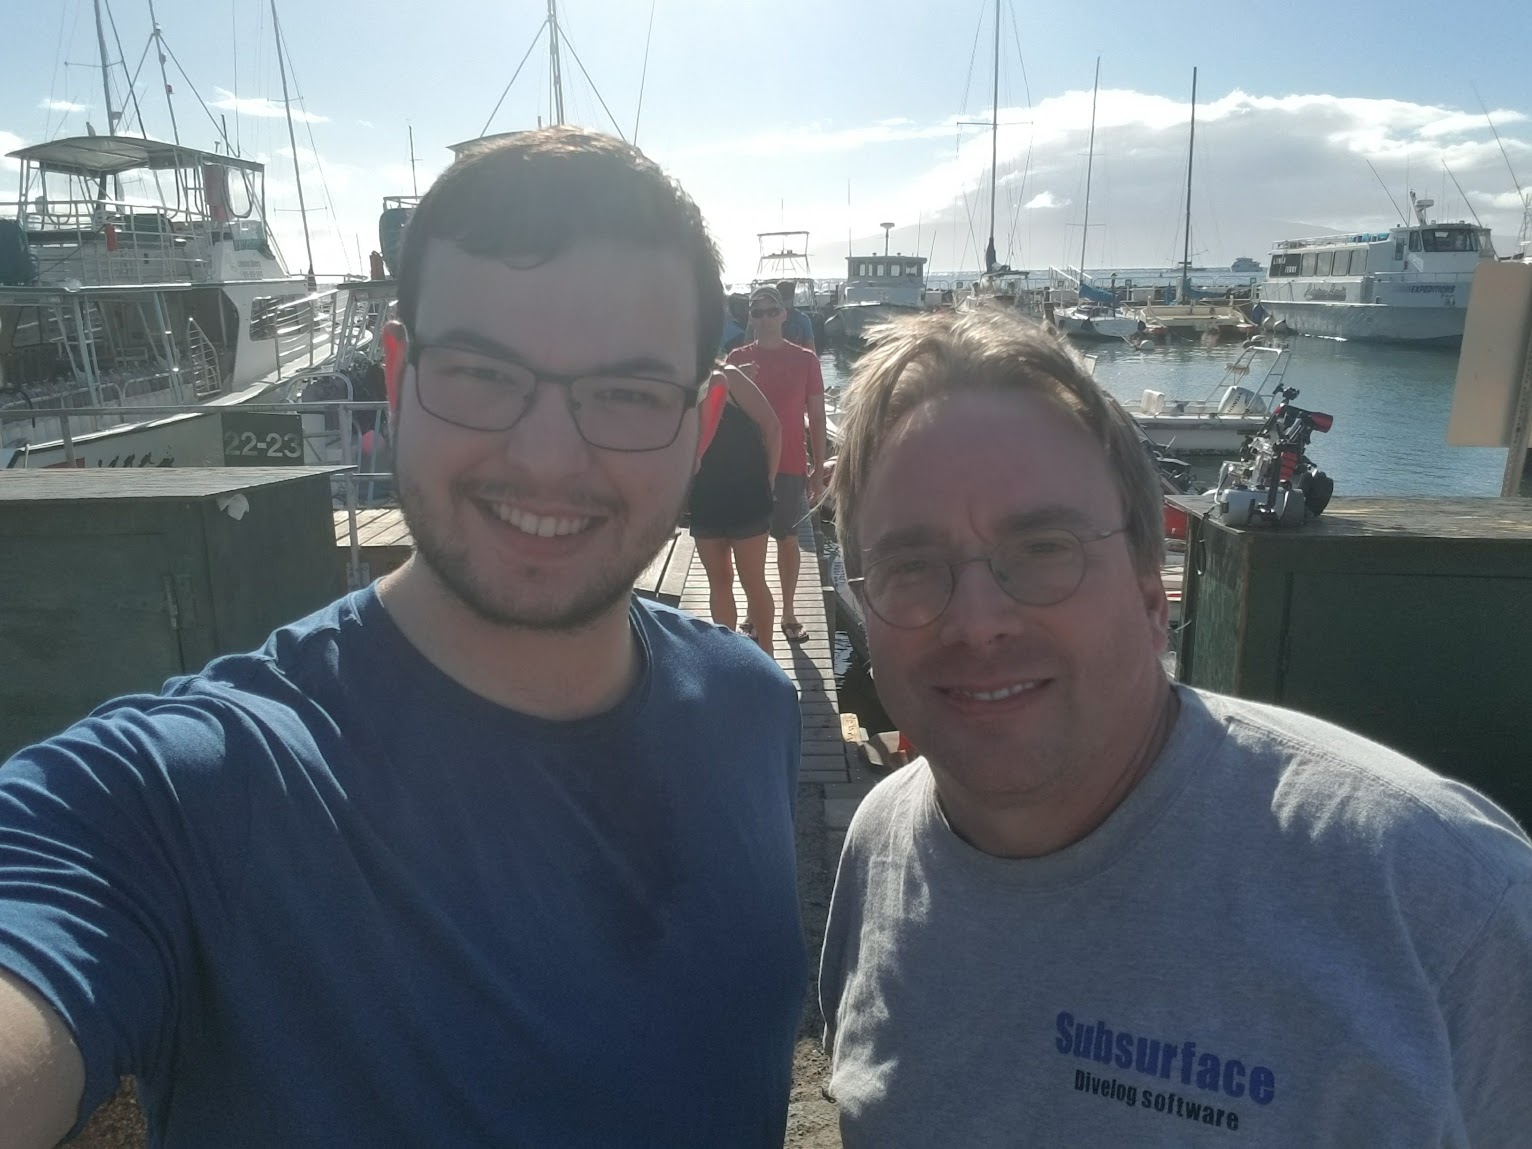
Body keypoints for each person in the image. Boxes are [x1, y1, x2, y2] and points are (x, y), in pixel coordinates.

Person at [0, 128, 808, 1148]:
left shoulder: (751, 707)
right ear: (397, 377)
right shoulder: (189, 794)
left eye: (628, 392)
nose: (548, 457)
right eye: (479, 371)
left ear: (697, 431)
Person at [819, 308, 1532, 1147]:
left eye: (1045, 546)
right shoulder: (881, 846)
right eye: (909, 564)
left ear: (1153, 598)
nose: (978, 621)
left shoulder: (1443, 904)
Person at [726, 285, 827, 644]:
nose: (766, 318)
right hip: (744, 468)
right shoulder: (736, 359)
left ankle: (787, 611)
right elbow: (718, 415)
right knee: (749, 543)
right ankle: (754, 611)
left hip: (789, 465)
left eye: (772, 311)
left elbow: (816, 417)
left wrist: (817, 469)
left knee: (786, 539)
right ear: (749, 318)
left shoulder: (805, 360)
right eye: (758, 312)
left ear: (786, 314)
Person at [688, 363, 781, 655]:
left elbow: (772, 426)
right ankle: (732, 658)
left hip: (748, 494)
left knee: (752, 579)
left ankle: (767, 656)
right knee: (719, 580)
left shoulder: (730, 377)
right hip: (704, 495)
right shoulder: (681, 381)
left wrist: (769, 479)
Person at [775, 279, 817, 351]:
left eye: (788, 296)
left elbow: (811, 349)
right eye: (784, 296)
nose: (786, 299)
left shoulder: (803, 319)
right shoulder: (767, 318)